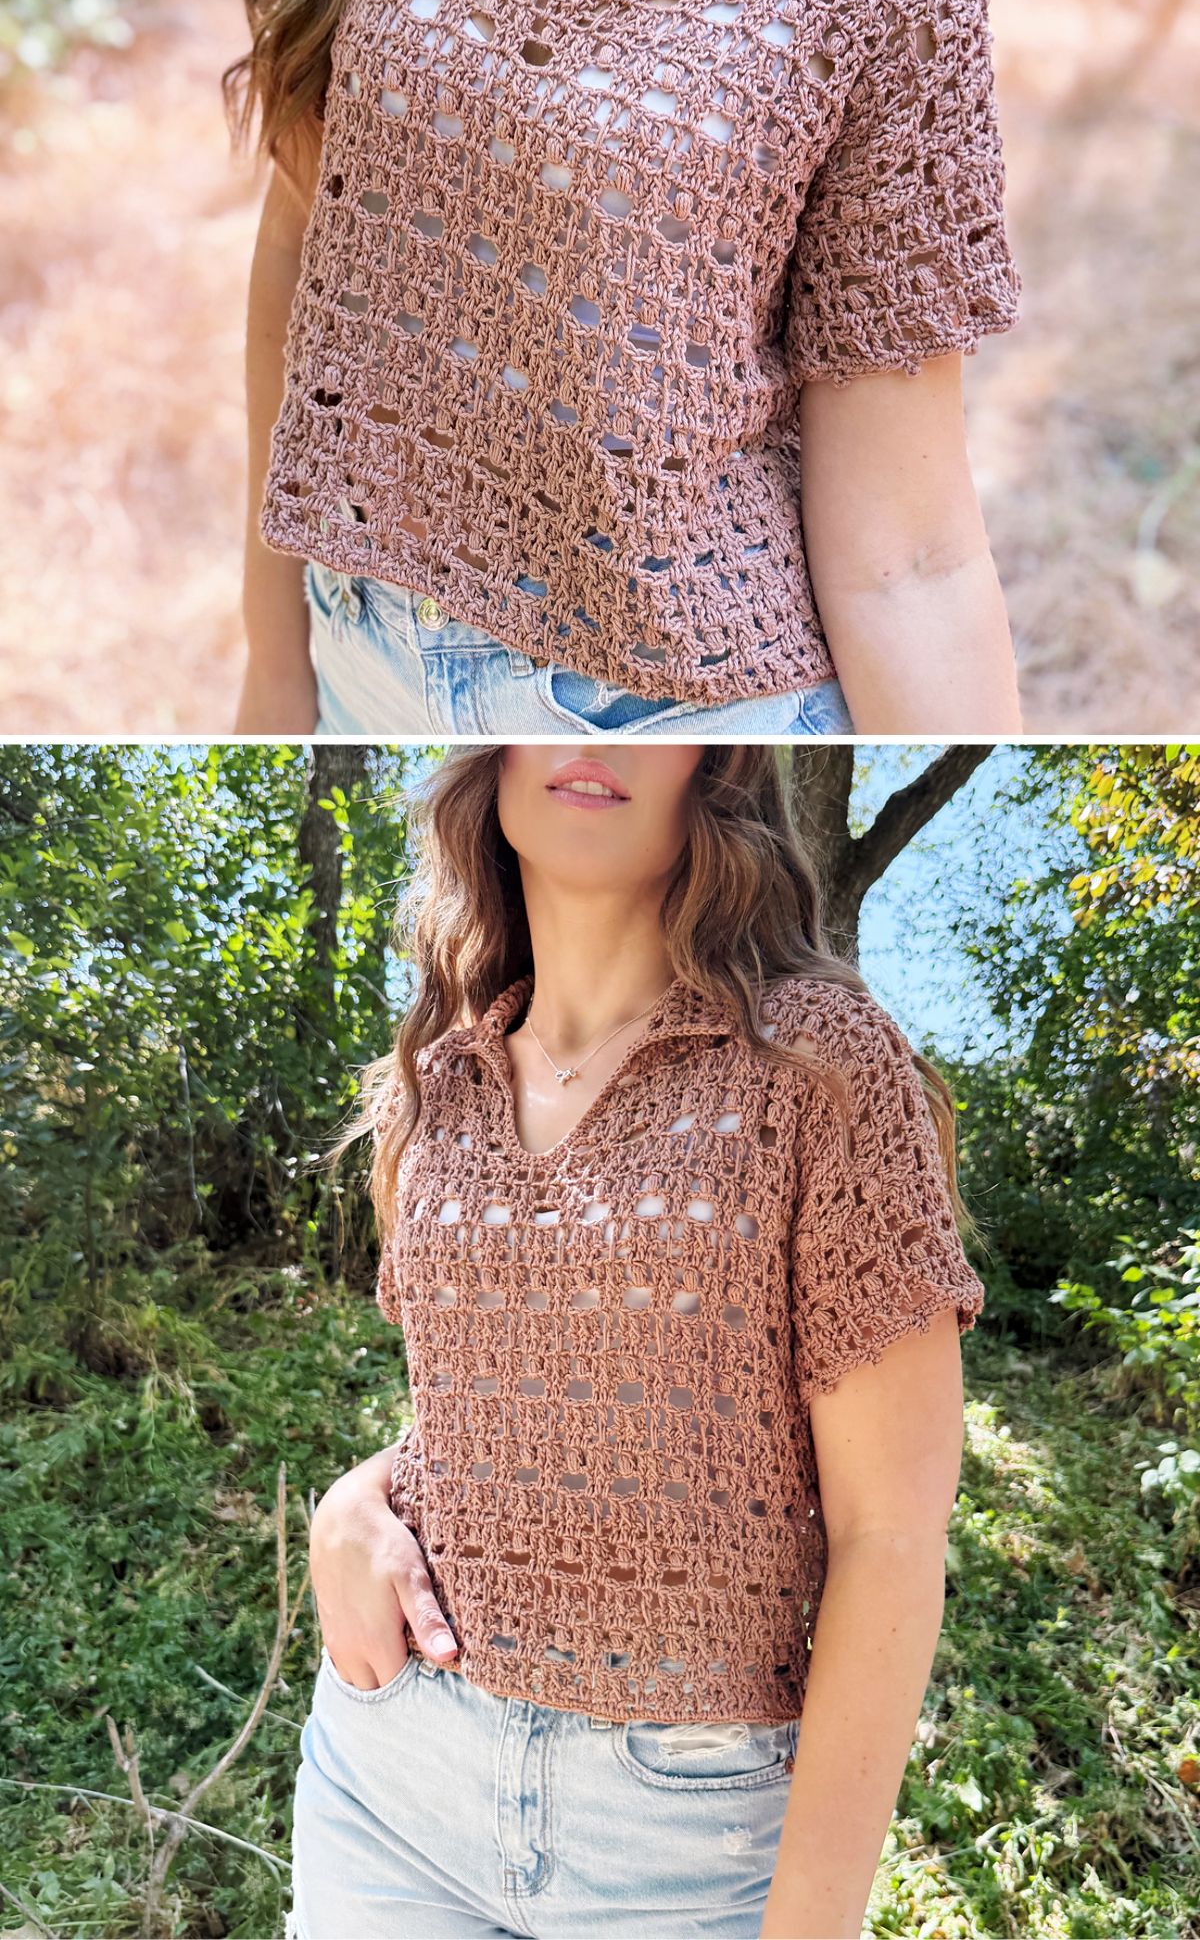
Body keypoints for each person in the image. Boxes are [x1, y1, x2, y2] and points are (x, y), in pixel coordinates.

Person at [226, 0, 1025, 744]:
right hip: (359, 661)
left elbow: (910, 558)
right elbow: (305, 250)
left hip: (672, 721)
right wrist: (274, 668)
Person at [286, 741, 987, 1938]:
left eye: (644, 710)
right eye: (539, 703)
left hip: (687, 1837)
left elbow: (890, 1533)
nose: (593, 733)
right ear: (490, 758)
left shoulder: (817, 1065)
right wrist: (350, 1505)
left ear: (718, 762)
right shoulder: (437, 1085)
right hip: (392, 1784)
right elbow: (490, 1414)